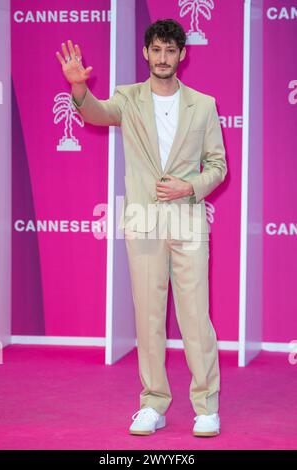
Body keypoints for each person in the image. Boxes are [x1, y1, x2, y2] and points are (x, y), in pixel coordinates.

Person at [56, 19, 227, 438]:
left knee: (194, 318)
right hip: (143, 220)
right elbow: (96, 114)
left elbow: (219, 166)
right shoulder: (127, 98)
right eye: (157, 50)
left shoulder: (203, 105)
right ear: (147, 53)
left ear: (182, 55)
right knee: (148, 318)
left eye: (171, 50)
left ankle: (206, 405)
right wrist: (79, 89)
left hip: (187, 218)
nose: (164, 57)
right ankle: (153, 403)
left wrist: (191, 185)